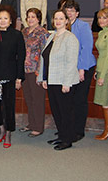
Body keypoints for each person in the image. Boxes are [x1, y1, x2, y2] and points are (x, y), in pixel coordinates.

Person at [37, 10, 79, 151]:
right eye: (56, 18)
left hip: (63, 81)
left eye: (61, 18)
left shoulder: (70, 38)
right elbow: (45, 58)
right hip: (51, 79)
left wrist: (67, 83)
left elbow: (71, 62)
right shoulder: (52, 36)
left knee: (65, 111)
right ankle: (61, 135)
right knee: (57, 110)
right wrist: (43, 78)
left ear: (67, 21)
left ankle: (67, 139)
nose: (58, 21)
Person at [0, 5, 26, 148]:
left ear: (11, 21)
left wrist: (19, 78)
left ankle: (8, 132)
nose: (2, 21)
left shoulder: (17, 35)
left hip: (10, 76)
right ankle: (1, 130)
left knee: (8, 106)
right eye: (0, 18)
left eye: (6, 18)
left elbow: (20, 57)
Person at [63, 0, 96, 141]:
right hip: (68, 69)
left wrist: (81, 69)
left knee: (79, 100)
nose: (69, 13)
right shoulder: (62, 25)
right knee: (68, 100)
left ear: (77, 13)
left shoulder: (83, 26)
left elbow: (86, 49)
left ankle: (78, 131)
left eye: (72, 11)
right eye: (67, 10)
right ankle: (68, 129)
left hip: (83, 67)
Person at [20, 8, 48, 138]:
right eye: (28, 17)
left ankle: (38, 127)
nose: (30, 19)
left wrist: (41, 74)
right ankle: (31, 124)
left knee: (37, 100)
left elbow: (44, 54)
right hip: (24, 70)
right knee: (29, 99)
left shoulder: (43, 33)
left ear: (38, 19)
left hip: (36, 71)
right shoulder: (24, 32)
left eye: (33, 17)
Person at [93, 8, 108, 141]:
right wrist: (98, 71)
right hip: (101, 69)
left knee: (107, 101)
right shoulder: (103, 32)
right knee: (104, 101)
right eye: (100, 18)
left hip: (107, 71)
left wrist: (102, 75)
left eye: (104, 18)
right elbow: (101, 55)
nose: (101, 20)